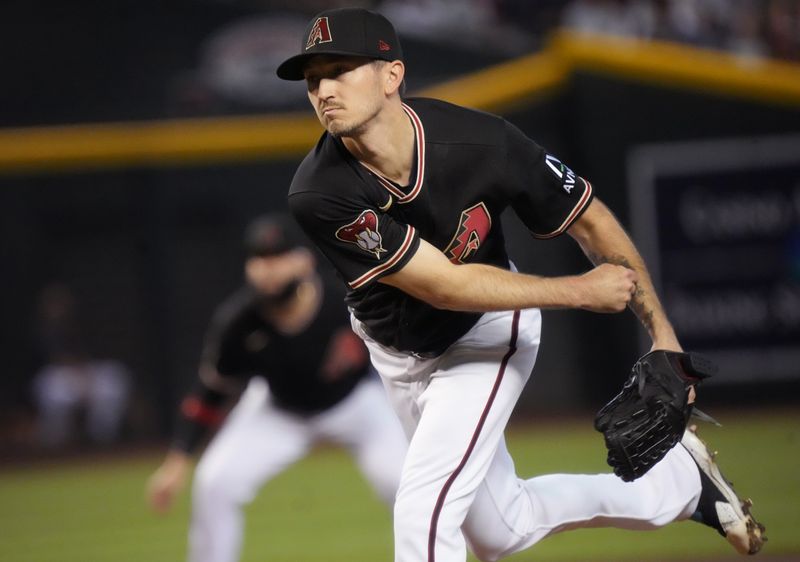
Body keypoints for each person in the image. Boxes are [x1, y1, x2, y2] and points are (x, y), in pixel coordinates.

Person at [275, 7, 765, 562]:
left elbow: (590, 219)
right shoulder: (318, 191)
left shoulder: (483, 143)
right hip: (397, 351)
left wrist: (664, 337)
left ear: (392, 76)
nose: (323, 89)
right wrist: (578, 291)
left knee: (422, 509)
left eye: (340, 69)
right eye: (313, 79)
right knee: (501, 529)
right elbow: (442, 285)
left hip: (484, 331)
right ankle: (680, 485)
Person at [146, 213, 408, 562]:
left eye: (279, 257)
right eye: (259, 259)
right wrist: (177, 462)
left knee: (407, 485)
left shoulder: (344, 299)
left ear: (304, 261)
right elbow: (211, 391)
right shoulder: (238, 322)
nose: (269, 269)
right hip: (279, 410)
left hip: (355, 403)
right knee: (214, 483)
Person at [31, 282, 131, 448]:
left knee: (113, 380)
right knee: (55, 393)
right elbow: (55, 360)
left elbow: (88, 357)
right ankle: (56, 447)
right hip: (56, 377)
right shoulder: (42, 332)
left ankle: (104, 441)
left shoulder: (79, 326)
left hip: (85, 372)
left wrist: (85, 375)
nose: (59, 308)